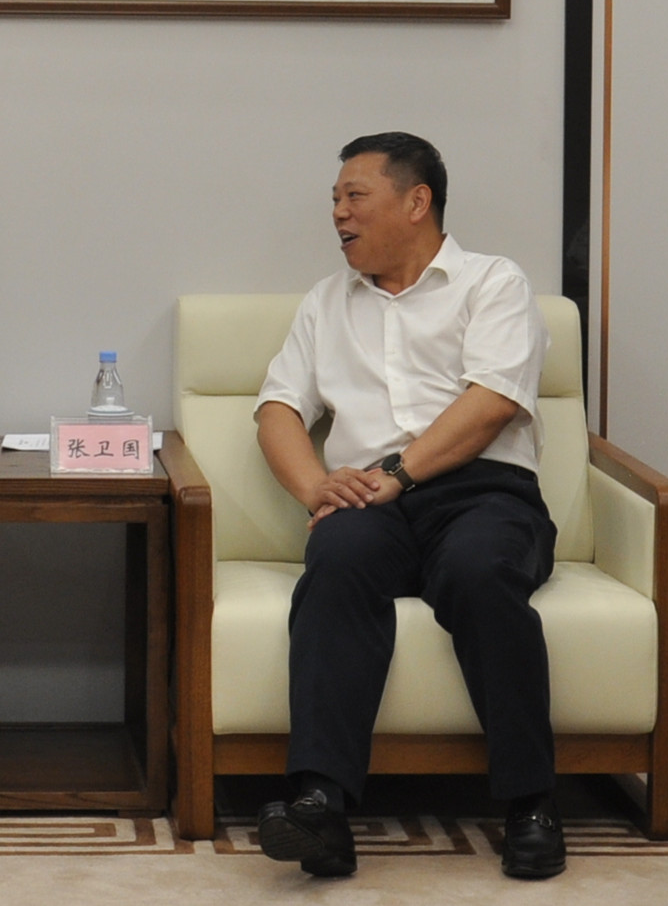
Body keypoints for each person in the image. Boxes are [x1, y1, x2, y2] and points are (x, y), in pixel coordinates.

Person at [252, 132, 565, 880]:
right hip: (371, 498)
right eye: (334, 199)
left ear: (416, 201)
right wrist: (315, 487)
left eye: (354, 196)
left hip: (483, 491)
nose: (337, 213)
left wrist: (399, 470)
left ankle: (530, 802)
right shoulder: (326, 302)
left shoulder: (491, 282)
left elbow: (491, 403)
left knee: (480, 570)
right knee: (335, 559)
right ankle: (320, 806)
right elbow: (277, 408)